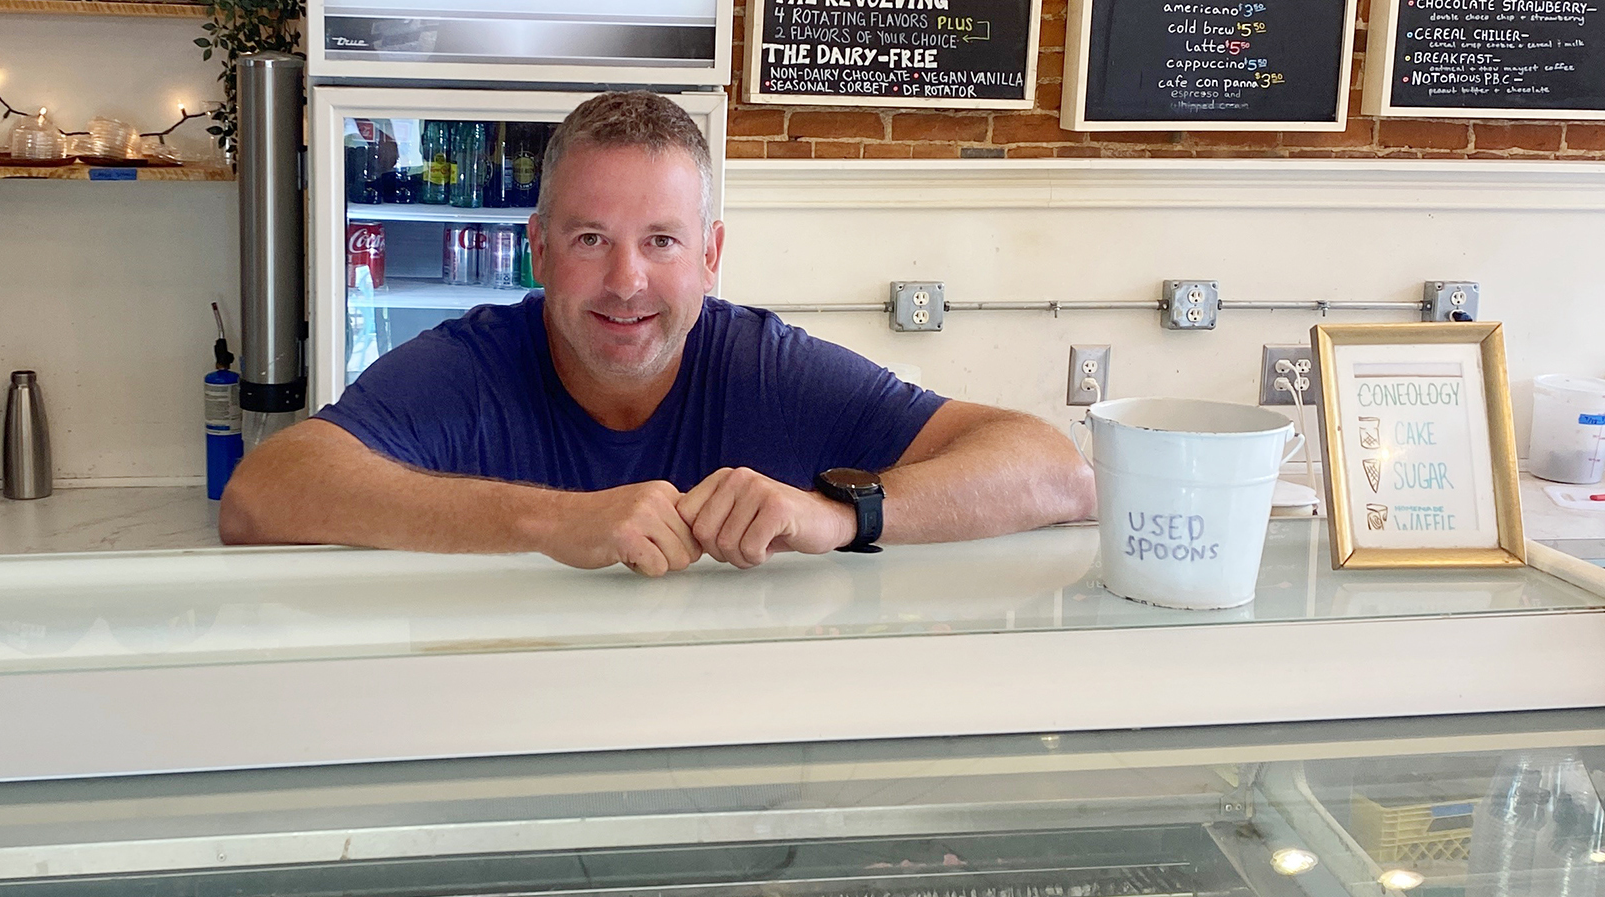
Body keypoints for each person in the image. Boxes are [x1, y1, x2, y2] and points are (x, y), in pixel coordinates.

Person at [220, 92, 1094, 576]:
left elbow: (1057, 471)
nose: (627, 281)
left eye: (663, 242)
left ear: (710, 258)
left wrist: (838, 515)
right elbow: (261, 496)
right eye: (590, 238)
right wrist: (550, 522)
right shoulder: (473, 366)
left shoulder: (766, 367)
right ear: (538, 250)